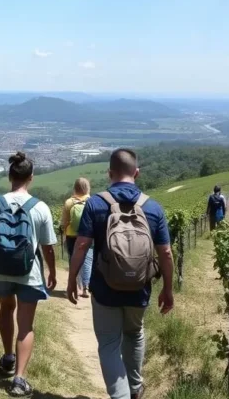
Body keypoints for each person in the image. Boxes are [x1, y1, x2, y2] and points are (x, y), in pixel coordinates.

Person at [67, 148, 174, 399]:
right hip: (140, 286)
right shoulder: (153, 208)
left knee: (108, 344)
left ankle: (121, 395)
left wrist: (72, 280)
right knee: (135, 334)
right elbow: (166, 253)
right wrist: (168, 288)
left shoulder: (95, 204)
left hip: (105, 288)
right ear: (136, 172)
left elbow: (82, 245)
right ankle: (134, 389)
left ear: (110, 173)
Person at [0, 152, 57, 397]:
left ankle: (8, 357)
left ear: (10, 176)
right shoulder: (40, 207)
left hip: (0, 271)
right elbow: (48, 246)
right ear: (31, 178)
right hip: (28, 273)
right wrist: (52, 271)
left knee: (6, 309)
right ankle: (19, 380)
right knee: (26, 324)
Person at [61, 177, 94, 298]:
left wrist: (64, 231)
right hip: (89, 236)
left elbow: (64, 222)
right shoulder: (92, 201)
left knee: (73, 260)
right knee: (87, 261)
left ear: (75, 187)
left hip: (71, 236)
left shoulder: (69, 202)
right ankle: (86, 288)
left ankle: (76, 287)